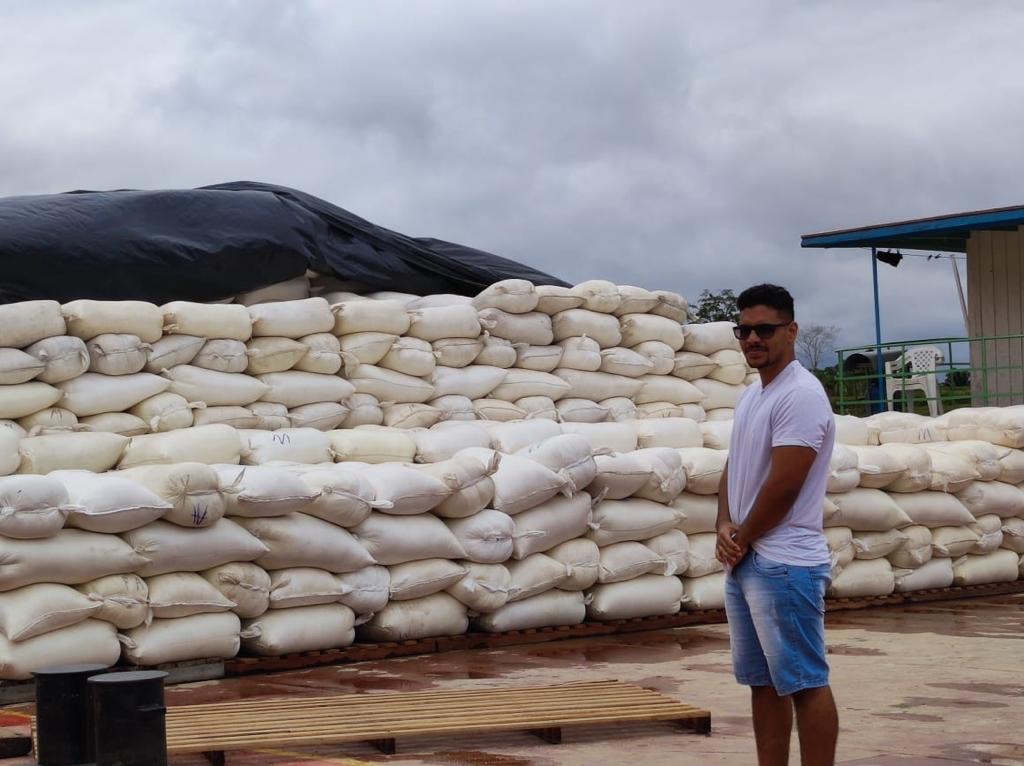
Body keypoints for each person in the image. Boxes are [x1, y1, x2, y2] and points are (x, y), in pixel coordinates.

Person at [715, 283, 839, 766]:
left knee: (804, 682)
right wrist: (724, 524)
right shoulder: (753, 396)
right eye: (744, 330)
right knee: (762, 683)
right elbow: (737, 465)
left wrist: (742, 537)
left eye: (764, 329)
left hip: (785, 562)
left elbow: (785, 485)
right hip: (749, 558)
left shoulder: (801, 395)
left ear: (791, 330)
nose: (752, 339)